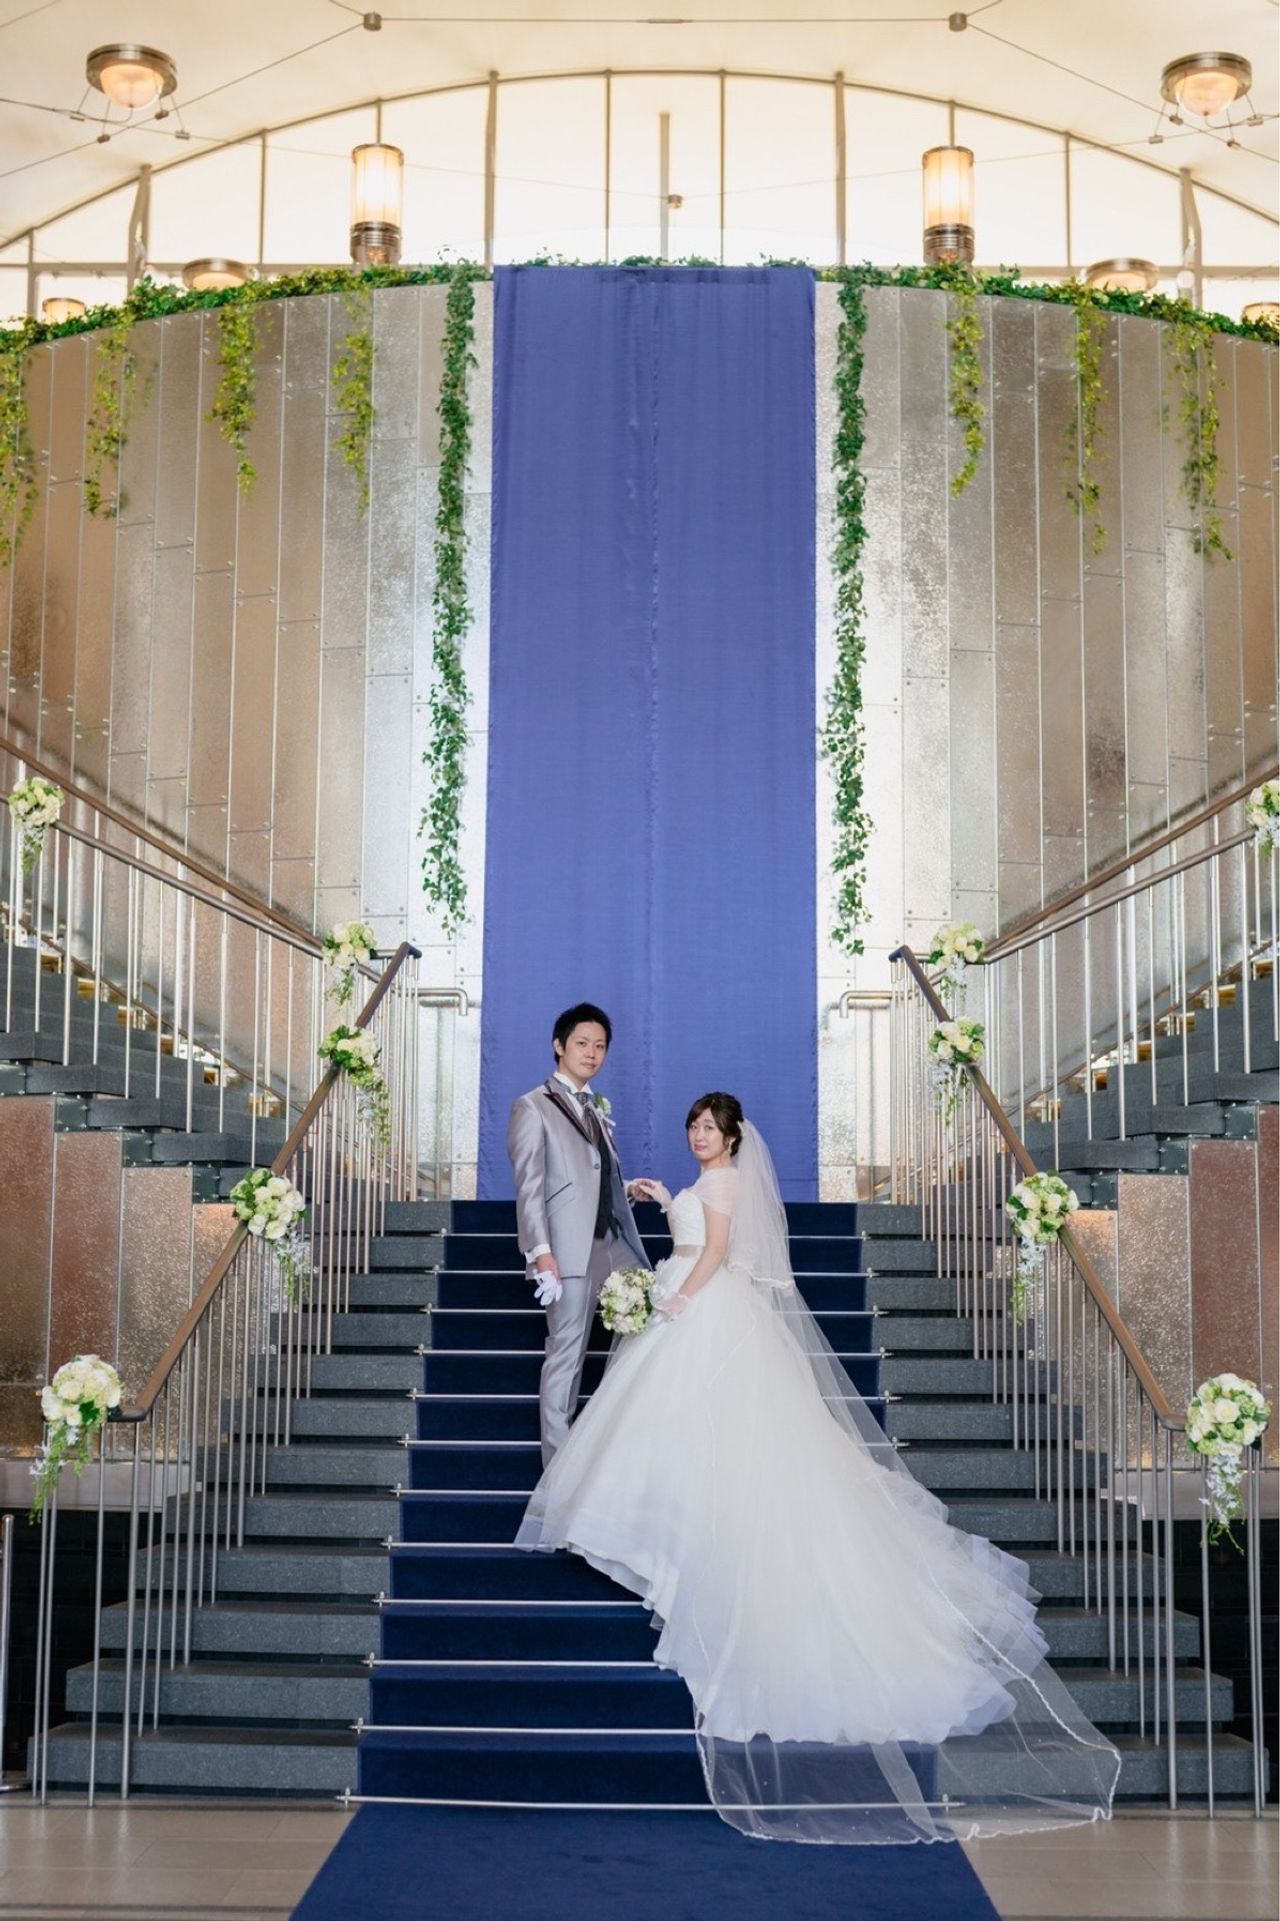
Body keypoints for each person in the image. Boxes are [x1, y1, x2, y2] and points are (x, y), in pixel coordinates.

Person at [517, 1091, 1120, 1846]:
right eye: (693, 1126)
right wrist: (669, 1201)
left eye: (709, 1127)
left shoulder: (726, 1182)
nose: (699, 1134)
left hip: (706, 1307)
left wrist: (677, 1301)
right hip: (693, 1297)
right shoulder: (706, 1182)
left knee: (707, 1424)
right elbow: (699, 1229)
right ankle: (665, 1526)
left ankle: (684, 1539)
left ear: (732, 1138)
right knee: (671, 1419)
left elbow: (716, 1253)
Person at [507, 1003, 647, 1465]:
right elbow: (530, 1187)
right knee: (566, 1357)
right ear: (559, 1045)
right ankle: (559, 1474)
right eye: (583, 1043)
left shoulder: (597, 1107)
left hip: (613, 1243)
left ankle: (622, 1451)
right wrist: (541, 1252)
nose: (592, 1053)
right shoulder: (532, 1106)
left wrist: (626, 1188)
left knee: (652, 1327)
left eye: (600, 1046)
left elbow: (589, 1174)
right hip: (568, 1250)